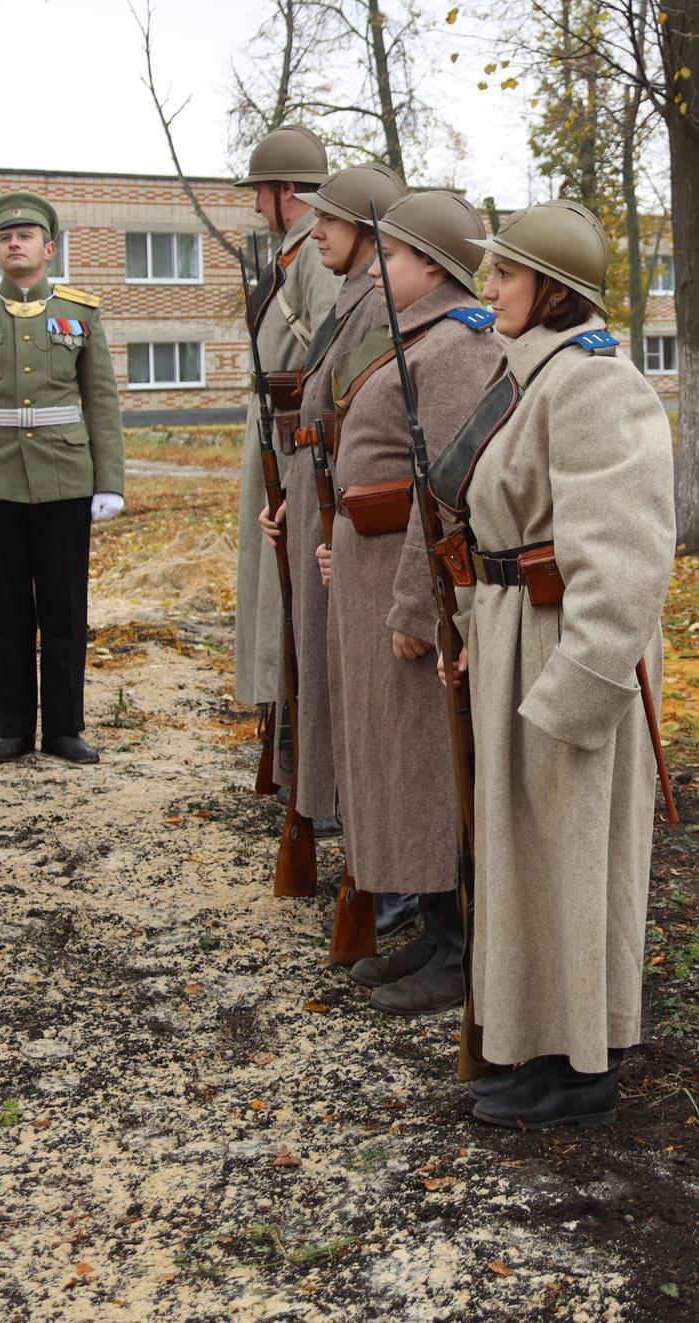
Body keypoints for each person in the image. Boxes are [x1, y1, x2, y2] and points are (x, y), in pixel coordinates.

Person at [439, 200, 674, 1130]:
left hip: (565, 645)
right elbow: (487, 523)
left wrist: (580, 690)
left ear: (554, 290)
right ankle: (541, 1039)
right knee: (525, 855)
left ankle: (585, 1063)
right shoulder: (528, 375)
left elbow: (624, 558)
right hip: (510, 634)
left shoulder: (593, 383)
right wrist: (465, 626)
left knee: (574, 853)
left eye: (503, 274)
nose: (487, 288)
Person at [322, 190, 504, 1013]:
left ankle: (464, 949)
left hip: (413, 588)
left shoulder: (458, 343)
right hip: (377, 573)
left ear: (432, 263)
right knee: (404, 763)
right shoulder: (421, 334)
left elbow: (451, 488)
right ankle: (436, 929)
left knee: (432, 765)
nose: (378, 266)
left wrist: (417, 609)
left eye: (391, 254)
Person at [255, 161, 410, 928]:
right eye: (315, 218)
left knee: (351, 684)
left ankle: (383, 867)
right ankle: (354, 841)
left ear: (371, 232)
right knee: (323, 675)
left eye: (333, 221)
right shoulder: (352, 296)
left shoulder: (377, 303)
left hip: (351, 512)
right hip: (321, 503)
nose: (316, 230)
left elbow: (373, 427)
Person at [0, 191, 124, 765]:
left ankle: (64, 728)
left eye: (26, 235)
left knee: (66, 613)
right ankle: (12, 727)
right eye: (4, 236)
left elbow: (102, 402)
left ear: (49, 247)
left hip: (65, 480)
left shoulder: (80, 313)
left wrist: (109, 479)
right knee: (7, 613)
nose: (14, 242)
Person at [233, 126, 339, 724]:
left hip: (295, 430)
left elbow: (330, 353)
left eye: (261, 191)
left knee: (286, 585)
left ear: (287, 190)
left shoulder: (315, 254)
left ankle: (298, 729)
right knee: (270, 579)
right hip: (275, 424)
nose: (254, 205)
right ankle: (284, 720)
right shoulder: (292, 251)